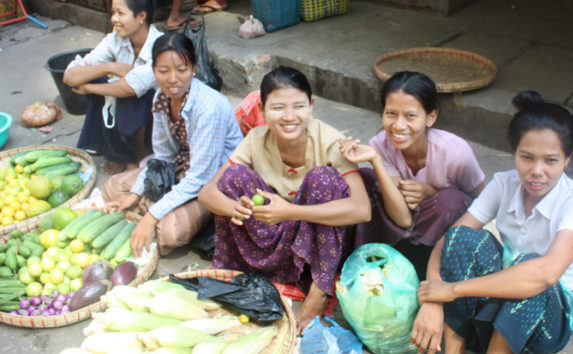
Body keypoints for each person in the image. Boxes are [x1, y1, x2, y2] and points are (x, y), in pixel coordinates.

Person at [411, 90, 573, 354]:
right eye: (526, 157)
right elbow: (449, 241)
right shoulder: (504, 183)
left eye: (551, 160)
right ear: (514, 152)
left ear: (569, 157)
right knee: (460, 238)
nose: (537, 170)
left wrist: (451, 291)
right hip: (503, 294)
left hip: (545, 323)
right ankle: (454, 352)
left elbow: (545, 274)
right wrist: (432, 298)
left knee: (532, 268)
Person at [198, 66, 371, 334]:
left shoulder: (331, 141)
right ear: (263, 110)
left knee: (323, 179)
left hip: (321, 247)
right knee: (234, 176)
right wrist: (238, 208)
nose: (289, 117)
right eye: (278, 108)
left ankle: (319, 292)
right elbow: (207, 193)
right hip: (278, 239)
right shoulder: (256, 139)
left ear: (311, 107)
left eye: (298, 106)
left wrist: (290, 211)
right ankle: (234, 273)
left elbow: (362, 210)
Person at [103, 33, 243, 257]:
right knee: (113, 188)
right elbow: (163, 157)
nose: (172, 79)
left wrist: (152, 215)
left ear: (194, 68)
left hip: (214, 181)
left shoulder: (209, 107)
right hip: (183, 166)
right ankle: (149, 209)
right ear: (154, 70)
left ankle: (151, 212)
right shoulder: (162, 96)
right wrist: (136, 193)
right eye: (163, 71)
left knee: (170, 232)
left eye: (181, 69)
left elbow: (200, 177)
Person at [340, 71, 485, 279]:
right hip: (399, 225)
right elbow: (402, 218)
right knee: (363, 177)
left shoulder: (456, 153)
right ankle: (375, 258)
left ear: (431, 117)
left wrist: (433, 192)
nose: (398, 126)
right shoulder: (380, 145)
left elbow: (482, 201)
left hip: (439, 235)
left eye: (410, 116)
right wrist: (375, 161)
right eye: (391, 114)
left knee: (451, 201)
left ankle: (424, 270)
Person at [63, 0, 161, 174]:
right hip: (126, 106)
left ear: (141, 16)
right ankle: (119, 153)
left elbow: (132, 87)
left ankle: (138, 154)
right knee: (96, 78)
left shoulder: (159, 45)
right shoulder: (115, 39)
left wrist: (89, 89)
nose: (114, 19)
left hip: (155, 116)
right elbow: (69, 76)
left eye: (120, 13)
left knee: (128, 95)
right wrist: (109, 67)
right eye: (113, 13)